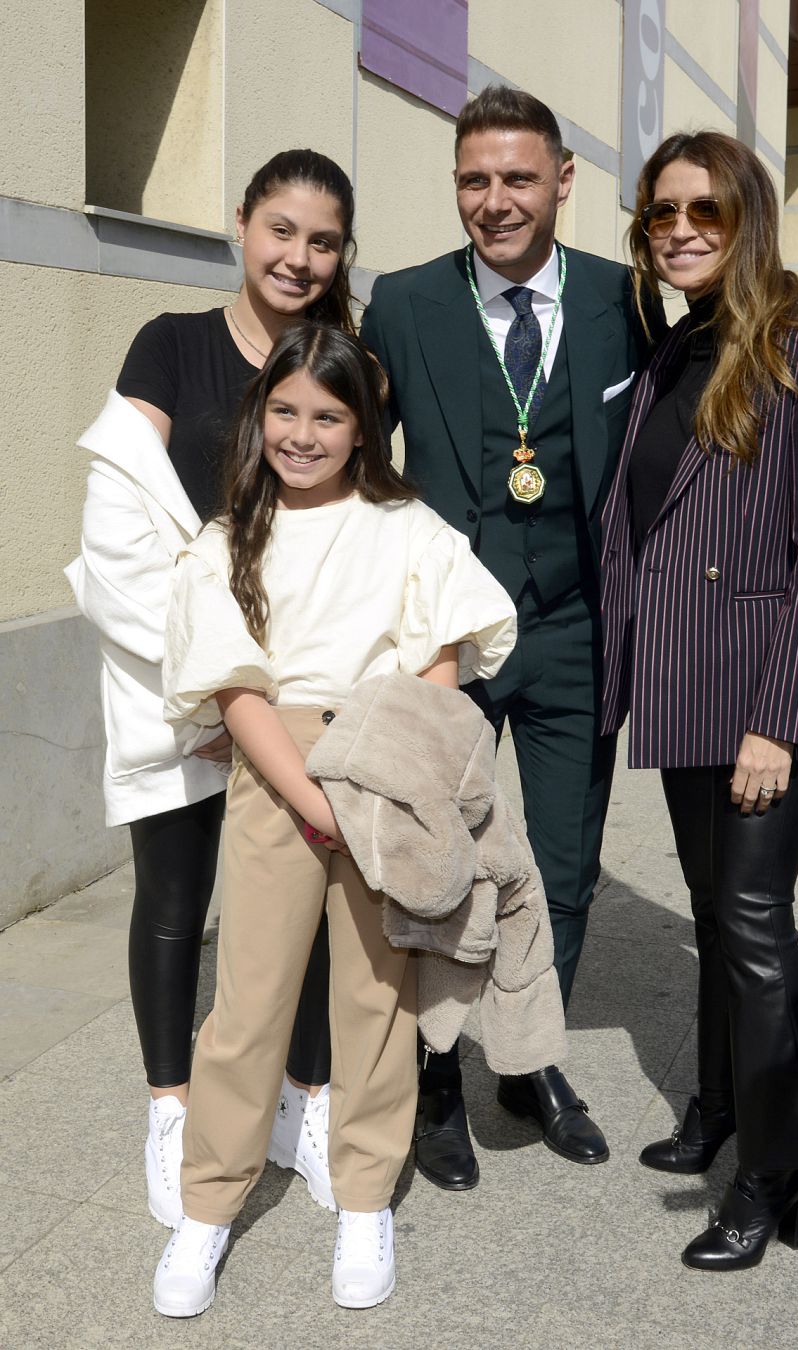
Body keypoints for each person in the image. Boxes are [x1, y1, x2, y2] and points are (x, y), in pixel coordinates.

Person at [152, 323, 517, 1314]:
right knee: (251, 1001)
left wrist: (401, 780)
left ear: (364, 428)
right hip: (278, 770)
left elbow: (440, 653)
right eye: (284, 410)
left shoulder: (408, 530)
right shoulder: (231, 538)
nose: (301, 433)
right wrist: (317, 805)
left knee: (376, 997)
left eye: (328, 415)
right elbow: (235, 690)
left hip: (386, 763)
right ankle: (208, 1205)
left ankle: (363, 1198)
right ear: (257, 413)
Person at [360, 84, 662, 1189]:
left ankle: (529, 1063)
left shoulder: (627, 302)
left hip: (579, 626)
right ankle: (436, 1081)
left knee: (566, 865)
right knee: (436, 864)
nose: (496, 201)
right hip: (447, 633)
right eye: (475, 180)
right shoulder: (400, 304)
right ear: (456, 186)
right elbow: (354, 465)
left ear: (563, 182)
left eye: (518, 178)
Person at [65, 148, 358, 1228]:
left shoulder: (336, 357)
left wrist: (284, 699)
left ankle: (305, 1100)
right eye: (281, 229)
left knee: (315, 903)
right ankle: (172, 1110)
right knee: (178, 905)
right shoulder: (171, 346)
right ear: (242, 225)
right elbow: (117, 524)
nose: (298, 256)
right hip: (171, 685)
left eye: (322, 240)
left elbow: (358, 528)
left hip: (302, 684)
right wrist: (213, 693)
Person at [599, 130, 798, 1270]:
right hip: (686, 674)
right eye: (662, 213)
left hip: (761, 688)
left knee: (755, 923)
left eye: (705, 211)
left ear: (749, 216)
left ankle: (774, 1170)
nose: (681, 230)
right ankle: (719, 1106)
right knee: (715, 910)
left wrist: (780, 716)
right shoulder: (673, 353)